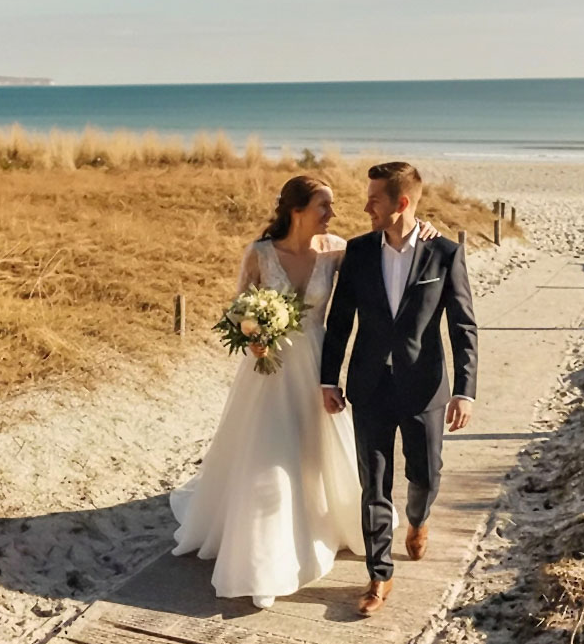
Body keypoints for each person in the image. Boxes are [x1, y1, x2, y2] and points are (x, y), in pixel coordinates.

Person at [169, 174, 439, 609]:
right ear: (297, 210)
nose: (332, 214)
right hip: (266, 370)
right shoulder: (259, 253)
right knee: (269, 456)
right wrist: (251, 334)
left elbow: (393, 240)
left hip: (315, 366)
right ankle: (263, 558)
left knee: (312, 453)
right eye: (323, 206)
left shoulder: (337, 250)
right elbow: (238, 308)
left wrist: (425, 226)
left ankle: (320, 526)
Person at [320, 161, 478, 616]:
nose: (365, 206)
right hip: (368, 387)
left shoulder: (444, 254)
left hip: (425, 387)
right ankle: (378, 575)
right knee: (375, 484)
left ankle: (419, 519)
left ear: (402, 203)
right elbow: (339, 324)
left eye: (375, 199)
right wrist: (329, 379)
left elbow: (463, 326)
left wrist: (464, 390)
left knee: (425, 474)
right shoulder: (358, 252)